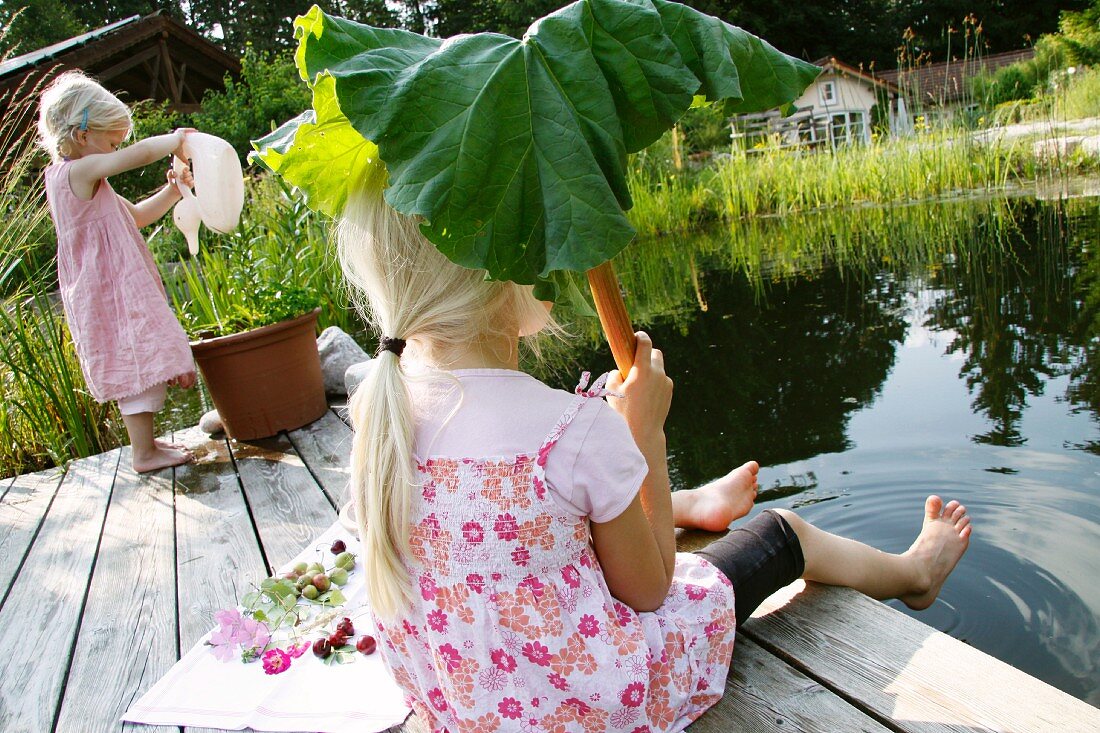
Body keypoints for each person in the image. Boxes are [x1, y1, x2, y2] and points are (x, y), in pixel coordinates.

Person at [339, 185, 972, 733]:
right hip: (598, 709)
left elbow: (509, 543)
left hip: (467, 707)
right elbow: (648, 592)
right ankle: (912, 575)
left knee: (549, 524)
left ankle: (693, 505)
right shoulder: (571, 430)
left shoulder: (379, 411)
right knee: (784, 534)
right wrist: (644, 434)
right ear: (509, 265)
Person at [38, 70, 197, 473]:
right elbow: (138, 155)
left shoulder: (91, 183)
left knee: (140, 351)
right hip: (108, 288)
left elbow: (139, 216)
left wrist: (175, 189)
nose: (116, 151)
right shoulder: (73, 174)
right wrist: (175, 142)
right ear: (81, 135)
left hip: (115, 285)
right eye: (111, 142)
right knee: (134, 358)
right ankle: (143, 454)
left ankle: (146, 444)